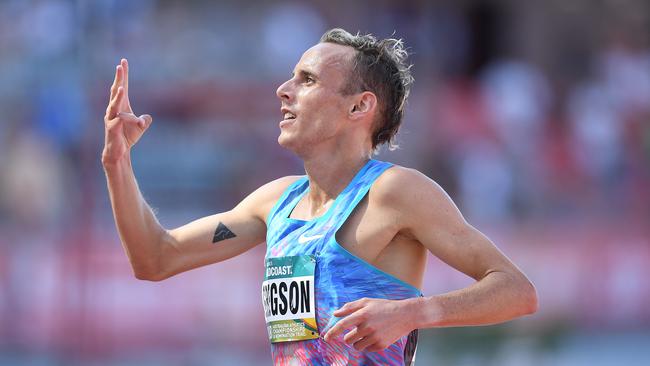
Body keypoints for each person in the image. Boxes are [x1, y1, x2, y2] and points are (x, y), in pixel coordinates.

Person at [102, 28, 538, 366]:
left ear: (358, 107)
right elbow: (155, 258)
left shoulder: (395, 192)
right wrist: (118, 163)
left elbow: (517, 290)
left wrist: (412, 313)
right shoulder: (274, 203)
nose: (283, 90)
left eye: (306, 80)